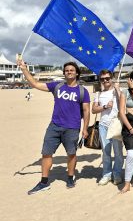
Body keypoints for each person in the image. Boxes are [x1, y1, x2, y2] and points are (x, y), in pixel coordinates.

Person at [17, 59, 90, 194]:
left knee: (71, 154)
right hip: (54, 126)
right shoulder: (57, 86)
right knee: (46, 153)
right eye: (67, 70)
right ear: (64, 73)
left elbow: (86, 111)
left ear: (77, 73)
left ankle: (70, 177)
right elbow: (35, 84)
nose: (69, 72)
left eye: (72, 70)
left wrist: (85, 129)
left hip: (72, 128)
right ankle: (44, 182)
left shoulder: (82, 91)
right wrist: (24, 69)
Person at [92, 69, 123, 186]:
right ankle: (106, 174)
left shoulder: (117, 91)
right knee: (106, 151)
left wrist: (118, 89)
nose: (105, 81)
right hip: (103, 126)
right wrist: (105, 106)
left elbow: (123, 104)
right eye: (102, 79)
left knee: (118, 152)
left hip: (116, 124)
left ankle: (117, 174)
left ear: (112, 79)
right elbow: (93, 110)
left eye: (107, 78)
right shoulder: (98, 94)